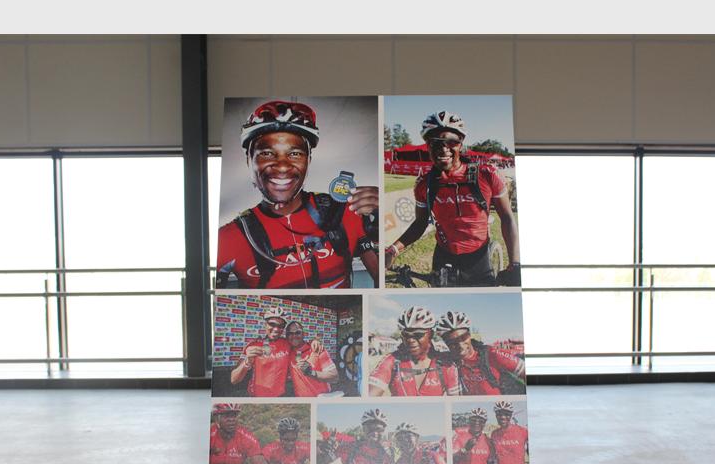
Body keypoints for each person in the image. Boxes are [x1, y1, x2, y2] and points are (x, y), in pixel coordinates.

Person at [217, 100, 379, 289]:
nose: (282, 166)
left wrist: (384, 219)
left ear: (308, 160)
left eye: (295, 154)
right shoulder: (228, 238)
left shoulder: (346, 211)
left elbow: (381, 274)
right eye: (267, 153)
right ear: (249, 161)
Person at [384, 110, 520, 287]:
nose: (443, 148)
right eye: (435, 142)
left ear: (461, 143)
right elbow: (420, 223)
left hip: (478, 258)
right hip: (444, 256)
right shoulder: (424, 184)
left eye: (451, 141)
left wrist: (515, 263)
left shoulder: (487, 175)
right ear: (427, 145)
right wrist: (393, 250)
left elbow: (507, 217)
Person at [368, 306, 460, 396]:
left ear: (430, 334)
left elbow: (455, 401)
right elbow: (371, 394)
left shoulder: (446, 364)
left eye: (418, 335)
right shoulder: (391, 361)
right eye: (406, 335)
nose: (411, 340)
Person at [435, 310, 526, 395]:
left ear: (469, 335)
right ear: (446, 343)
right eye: (452, 342)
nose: (460, 344)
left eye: (463, 337)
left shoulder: (491, 354)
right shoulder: (450, 364)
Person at [229, 306, 292, 397]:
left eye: (281, 326)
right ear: (265, 324)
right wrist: (247, 362)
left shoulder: (288, 343)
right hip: (257, 396)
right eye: (272, 324)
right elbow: (234, 380)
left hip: (280, 395)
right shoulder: (253, 345)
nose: (276, 329)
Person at [286, 321, 338, 396]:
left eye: (297, 332)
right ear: (287, 336)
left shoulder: (317, 349)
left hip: (320, 399)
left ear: (303, 334)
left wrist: (311, 373)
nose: (294, 336)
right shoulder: (287, 352)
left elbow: (334, 377)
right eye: (290, 333)